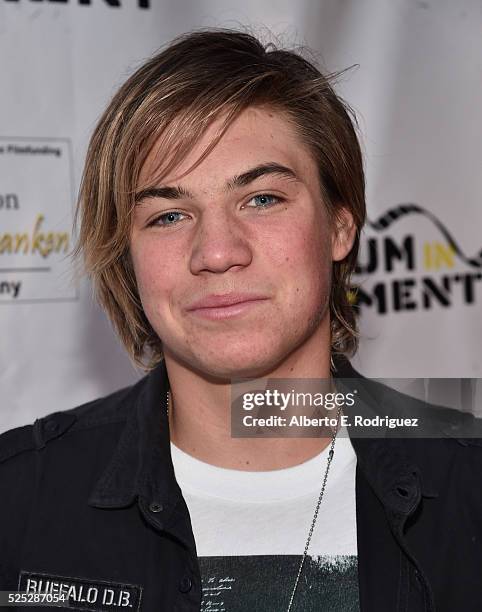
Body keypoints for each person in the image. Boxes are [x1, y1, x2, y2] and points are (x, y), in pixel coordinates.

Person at [0, 28, 481, 612]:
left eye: (262, 199)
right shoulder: (19, 500)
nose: (217, 251)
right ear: (125, 255)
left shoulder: (468, 485)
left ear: (339, 226)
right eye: (170, 215)